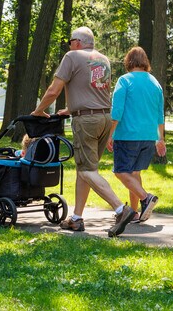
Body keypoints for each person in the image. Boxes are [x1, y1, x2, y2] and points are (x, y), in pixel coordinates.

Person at [31, 26, 136, 237]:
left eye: (70, 41)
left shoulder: (72, 56)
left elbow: (54, 90)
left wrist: (38, 111)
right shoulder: (102, 59)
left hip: (86, 121)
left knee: (87, 170)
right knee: (85, 169)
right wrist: (71, 107)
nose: (69, 45)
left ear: (77, 42)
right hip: (105, 117)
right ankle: (77, 219)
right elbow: (93, 88)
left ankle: (120, 209)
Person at [106, 46, 165, 223]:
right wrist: (160, 138)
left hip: (127, 135)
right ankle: (134, 212)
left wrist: (110, 133)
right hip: (148, 136)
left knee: (121, 172)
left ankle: (145, 198)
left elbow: (117, 111)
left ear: (128, 62)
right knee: (134, 173)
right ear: (145, 62)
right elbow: (159, 113)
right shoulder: (155, 83)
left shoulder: (125, 80)